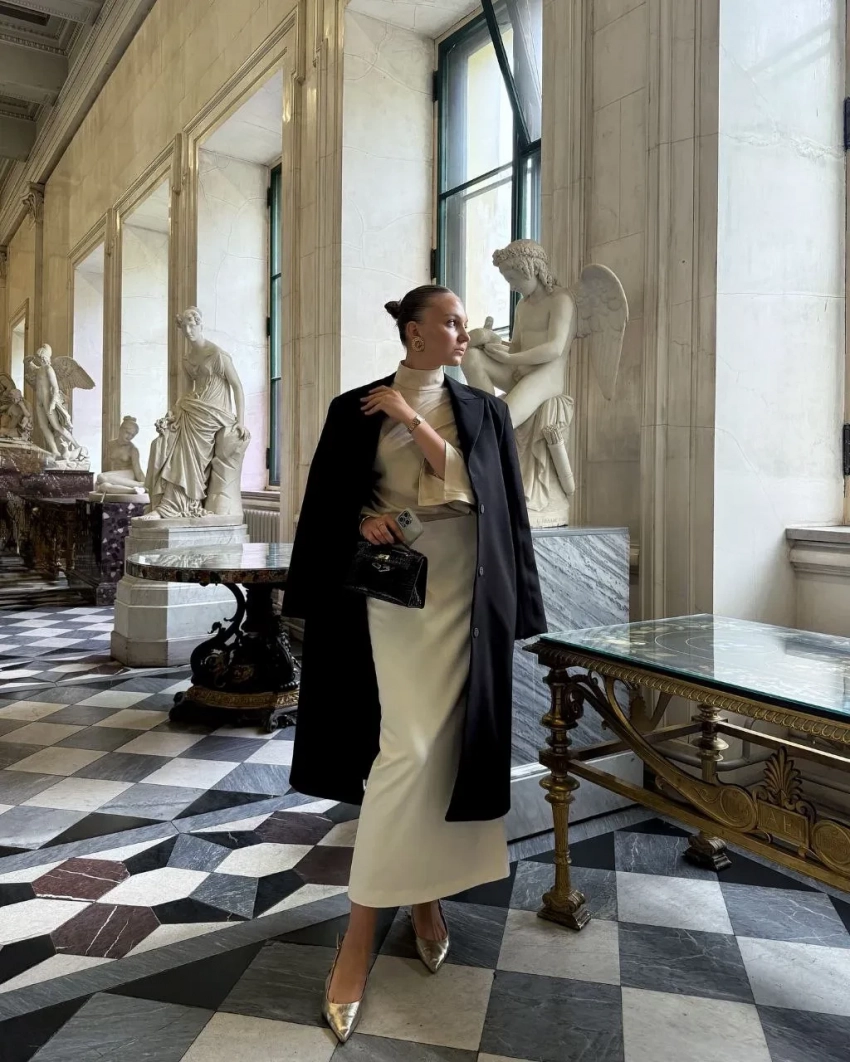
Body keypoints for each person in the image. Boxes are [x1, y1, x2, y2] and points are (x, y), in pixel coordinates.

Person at [282, 284, 546, 1044]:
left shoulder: (484, 410)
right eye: (451, 322)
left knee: (445, 751)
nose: (464, 332)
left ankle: (425, 897)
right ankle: (359, 937)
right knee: (408, 748)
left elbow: (483, 493)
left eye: (463, 322)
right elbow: (327, 506)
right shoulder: (351, 409)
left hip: (469, 592)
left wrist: (410, 419)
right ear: (413, 331)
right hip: (395, 590)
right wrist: (362, 521)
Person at [141, 307, 249, 519]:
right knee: (161, 443)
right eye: (184, 327)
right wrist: (171, 415)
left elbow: (237, 387)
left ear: (200, 326)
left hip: (213, 415)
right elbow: (185, 392)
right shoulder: (187, 358)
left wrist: (241, 421)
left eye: (192, 326)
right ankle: (160, 503)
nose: (188, 331)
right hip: (191, 410)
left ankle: (172, 507)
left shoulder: (217, 355)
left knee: (183, 453)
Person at [94, 416, 147, 494]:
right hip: (114, 477)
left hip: (129, 475)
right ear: (121, 429)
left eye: (132, 435)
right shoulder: (109, 445)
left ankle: (143, 485)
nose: (129, 437)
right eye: (128, 433)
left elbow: (138, 472)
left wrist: (147, 482)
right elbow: (105, 465)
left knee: (101, 477)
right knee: (104, 486)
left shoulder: (133, 449)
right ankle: (133, 490)